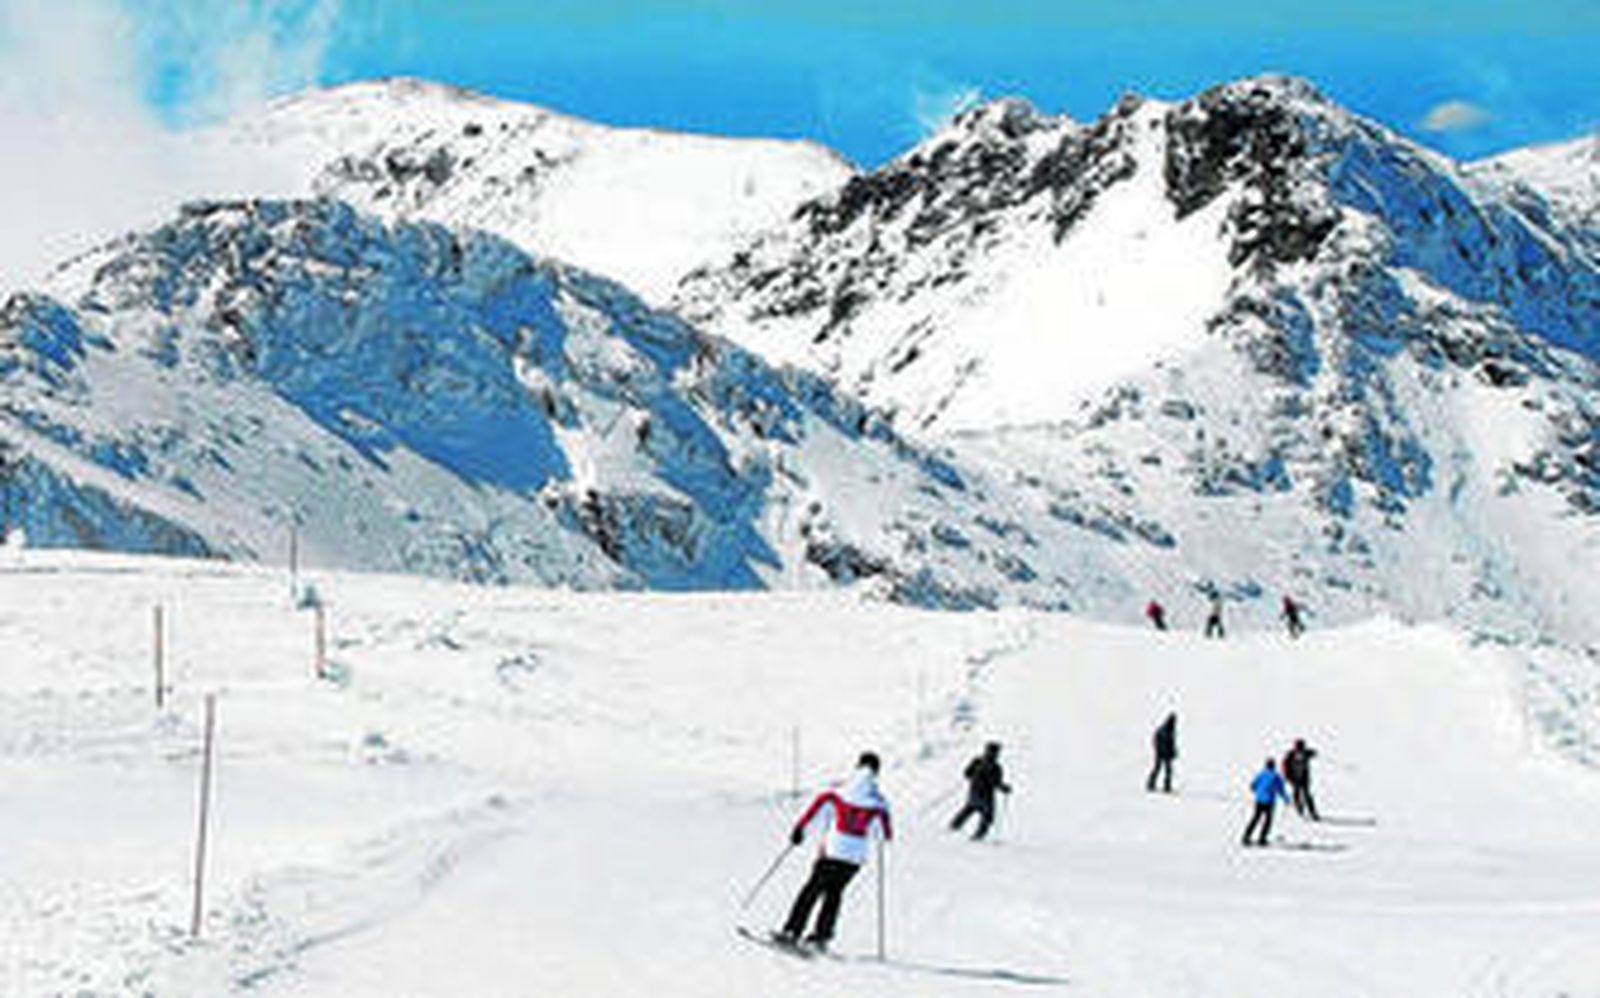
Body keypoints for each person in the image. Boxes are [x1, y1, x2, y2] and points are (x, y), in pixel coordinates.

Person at [778, 751, 893, 950]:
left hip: (833, 851)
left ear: (858, 766)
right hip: (854, 859)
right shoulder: (879, 802)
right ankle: (822, 936)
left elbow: (816, 810)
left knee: (812, 890)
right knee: (835, 893)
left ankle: (792, 931)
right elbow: (884, 835)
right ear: (877, 772)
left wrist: (799, 831)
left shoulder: (839, 792)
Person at [949, 742, 1012, 840]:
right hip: (986, 797)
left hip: (974, 793)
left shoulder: (977, 761)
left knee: (968, 810)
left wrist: (974, 775)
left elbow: (966, 774)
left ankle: (953, 827)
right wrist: (1005, 788)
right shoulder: (996, 768)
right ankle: (978, 837)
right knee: (987, 817)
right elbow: (996, 783)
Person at [1241, 757, 1289, 847]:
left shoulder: (1261, 774)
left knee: (1255, 819)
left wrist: (1259, 792)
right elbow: (1281, 789)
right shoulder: (1276, 776)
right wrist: (1286, 799)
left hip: (1259, 800)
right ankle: (1262, 838)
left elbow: (1252, 786)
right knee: (1267, 821)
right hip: (1269, 801)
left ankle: (1246, 836)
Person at [1283, 738, 1319, 820]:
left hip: (1303, 779)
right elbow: (1285, 766)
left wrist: (1313, 753)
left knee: (1306, 795)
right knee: (1298, 795)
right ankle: (1301, 809)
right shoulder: (1290, 755)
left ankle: (1311, 812)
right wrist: (1288, 777)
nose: (1300, 751)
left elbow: (1313, 753)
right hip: (1295, 779)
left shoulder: (1304, 753)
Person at [1146, 713, 1177, 793]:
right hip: (1160, 753)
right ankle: (1151, 784)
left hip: (1167, 754)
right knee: (1158, 768)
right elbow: (1158, 742)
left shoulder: (1171, 730)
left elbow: (1171, 743)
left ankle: (1167, 786)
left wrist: (1173, 751)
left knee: (1168, 770)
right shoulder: (1163, 730)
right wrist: (1162, 751)